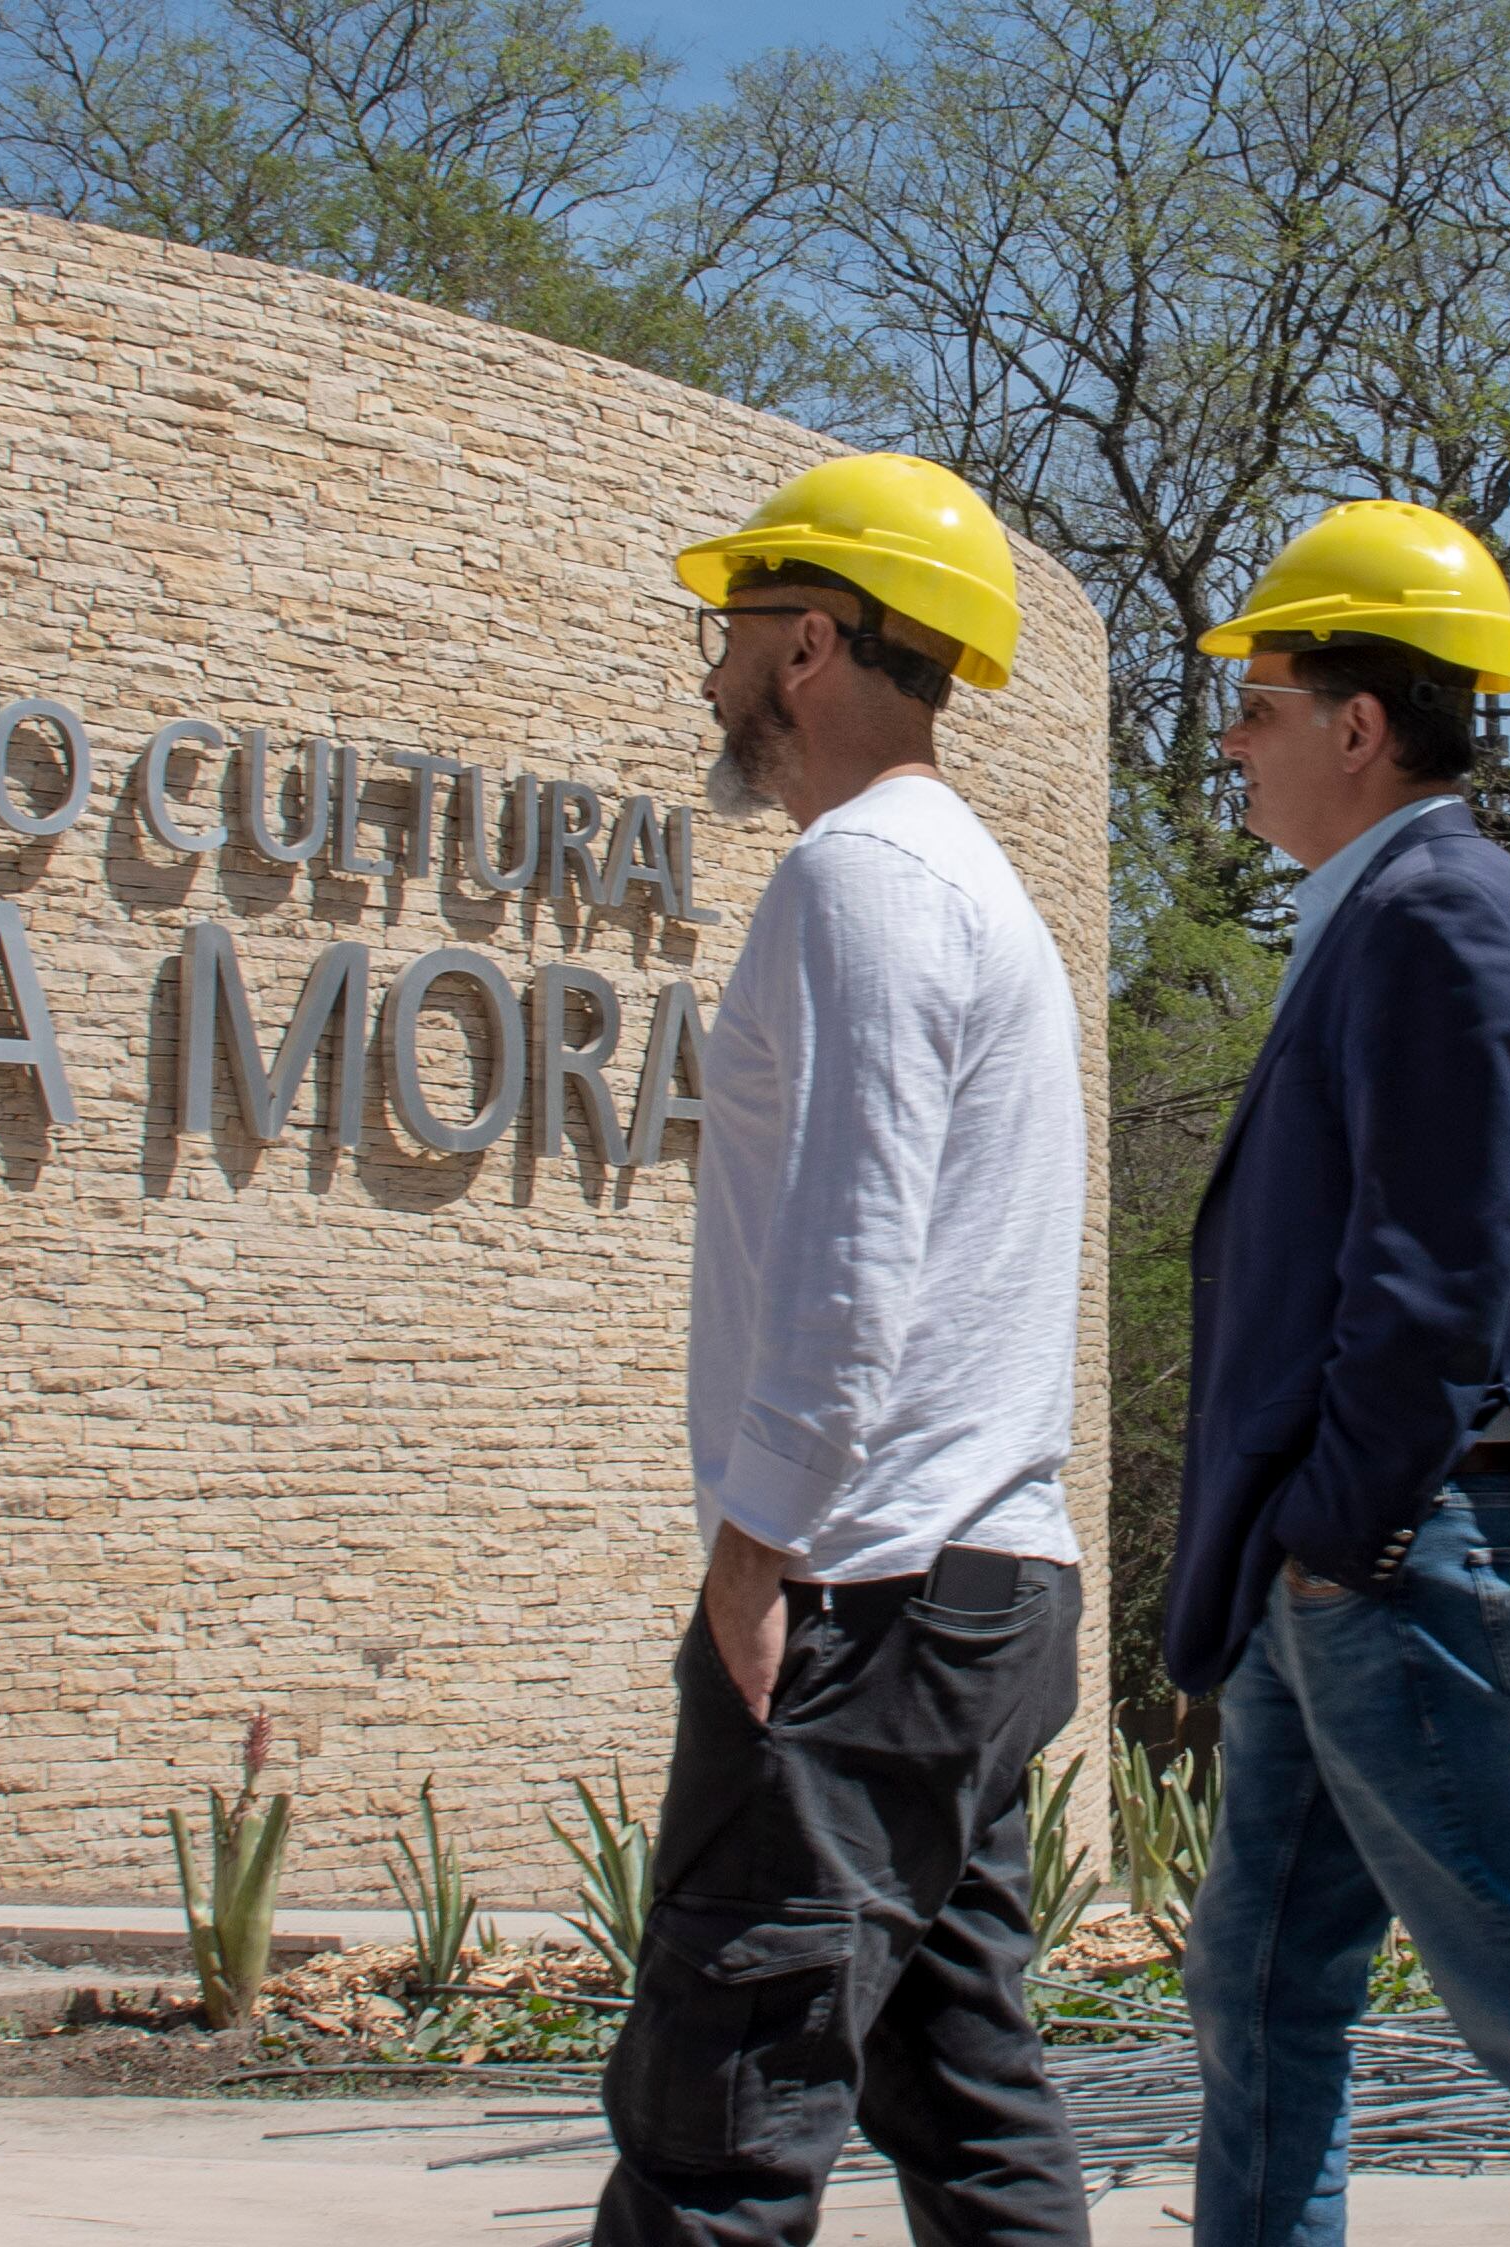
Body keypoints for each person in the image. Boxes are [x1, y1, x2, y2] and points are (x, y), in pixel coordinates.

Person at [594, 452, 1092, 2247]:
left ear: (811, 643)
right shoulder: (968, 886)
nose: (709, 671)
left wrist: (756, 1547)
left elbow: (852, 1250)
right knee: (963, 2098)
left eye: (729, 630)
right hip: (980, 1588)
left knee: (714, 2124)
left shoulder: (861, 878)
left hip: (867, 1590)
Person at [1163, 499, 1510, 2243]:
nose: (1232, 737)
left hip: (1407, 1542)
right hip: (1361, 1543)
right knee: (1262, 1984)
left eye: (1260, 701)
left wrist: (1345, 1527)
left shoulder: (1438, 917)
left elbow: (1436, 1280)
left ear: (1361, 727)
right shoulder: (1395, 912)